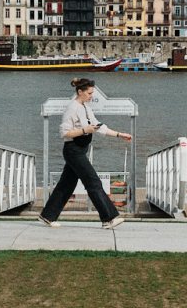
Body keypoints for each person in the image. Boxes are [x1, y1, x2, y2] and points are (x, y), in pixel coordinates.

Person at [38, 77, 131, 229]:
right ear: (80, 92)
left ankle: (47, 216)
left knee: (66, 185)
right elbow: (64, 133)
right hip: (73, 151)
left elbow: (98, 126)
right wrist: (84, 130)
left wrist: (120, 134)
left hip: (80, 150)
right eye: (89, 93)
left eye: (92, 92)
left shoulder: (86, 107)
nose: (91, 96)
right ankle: (109, 218)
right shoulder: (72, 108)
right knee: (93, 182)